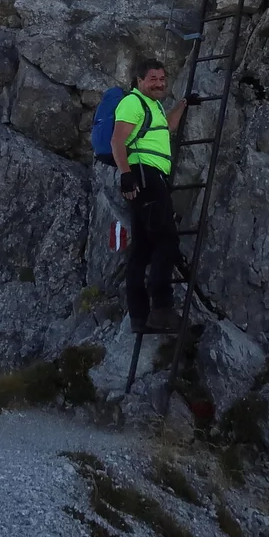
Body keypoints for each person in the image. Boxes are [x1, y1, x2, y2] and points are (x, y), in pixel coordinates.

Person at [112, 60, 190, 334]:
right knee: (166, 240)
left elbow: (165, 129)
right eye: (153, 79)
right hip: (145, 176)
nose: (159, 83)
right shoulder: (133, 103)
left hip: (146, 177)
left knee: (143, 248)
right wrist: (126, 174)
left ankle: (139, 316)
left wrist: (182, 105)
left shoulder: (152, 106)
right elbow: (117, 140)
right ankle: (162, 310)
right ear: (139, 81)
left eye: (162, 79)